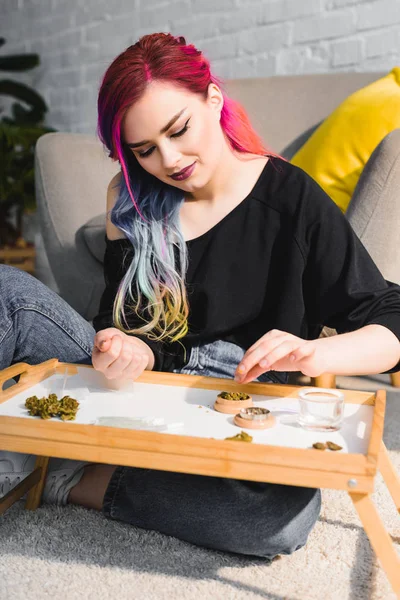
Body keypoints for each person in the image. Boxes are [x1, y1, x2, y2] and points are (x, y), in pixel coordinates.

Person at [1, 32, 400, 560]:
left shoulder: (289, 196)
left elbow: (388, 314)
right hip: (133, 387)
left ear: (212, 99)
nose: (169, 159)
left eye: (178, 130)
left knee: (279, 522)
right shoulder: (130, 199)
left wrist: (318, 352)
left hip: (234, 406)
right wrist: (122, 344)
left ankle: (75, 478)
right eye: (145, 150)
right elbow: (119, 321)